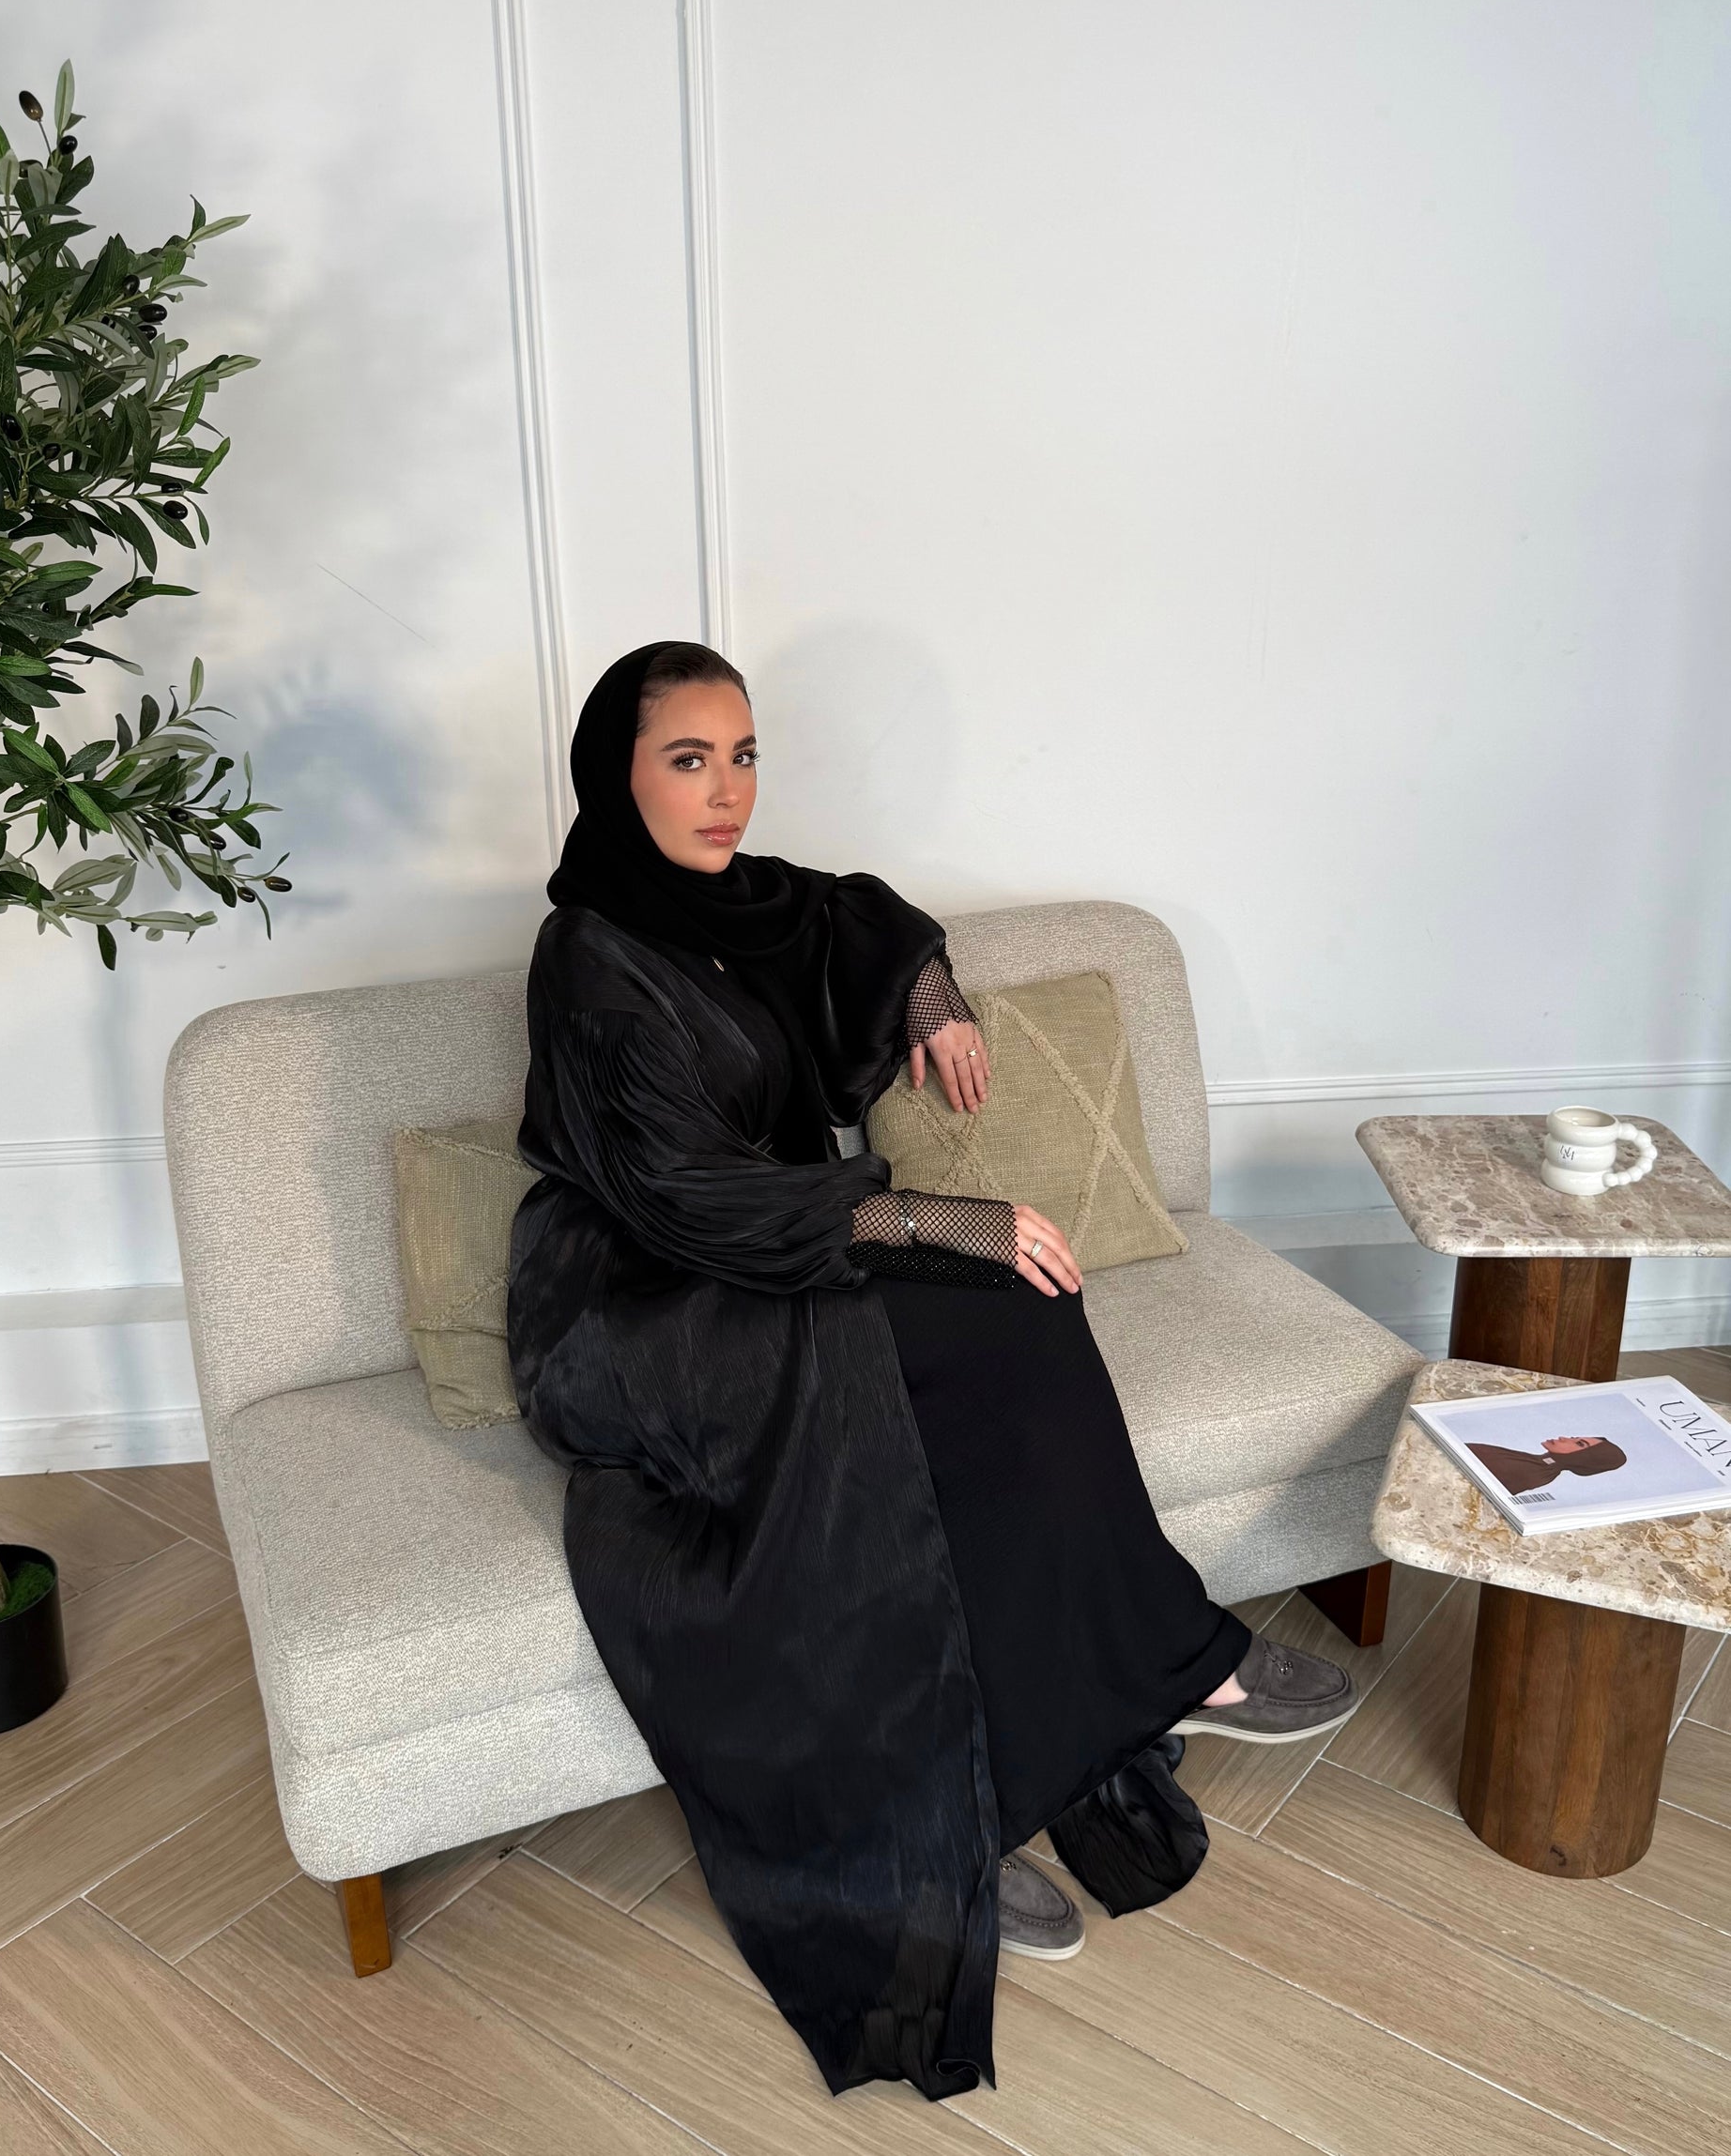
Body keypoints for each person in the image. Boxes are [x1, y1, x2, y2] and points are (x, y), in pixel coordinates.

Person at [508, 638, 1363, 2102]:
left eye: (743, 753)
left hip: (774, 1246)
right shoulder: (586, 955)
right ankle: (939, 1820)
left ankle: (1146, 1669)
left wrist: (929, 995)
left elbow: (852, 913)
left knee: (1019, 1305)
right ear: (614, 771)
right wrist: (925, 1217)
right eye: (687, 758)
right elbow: (685, 1195)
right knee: (927, 1341)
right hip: (644, 1301)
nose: (726, 790)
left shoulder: (739, 897)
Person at [1464, 1433, 1629, 1494]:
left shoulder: (1534, 1470)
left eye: (1579, 1444)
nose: (1564, 1438)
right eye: (1574, 1437)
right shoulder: (1538, 1464)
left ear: (1584, 1458)